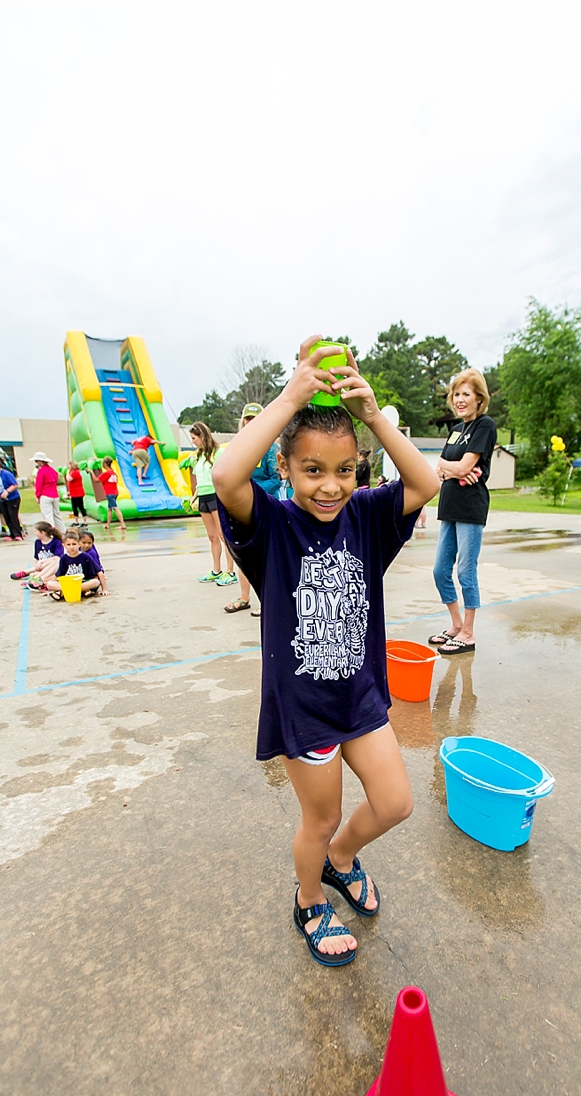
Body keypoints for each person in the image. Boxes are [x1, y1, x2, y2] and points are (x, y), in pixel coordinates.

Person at [213, 335, 439, 966]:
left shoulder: (366, 516)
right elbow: (226, 473)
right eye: (312, 470)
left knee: (396, 801)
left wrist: (372, 416)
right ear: (286, 469)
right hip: (305, 706)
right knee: (320, 815)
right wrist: (291, 395)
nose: (330, 486)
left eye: (344, 470)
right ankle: (309, 897)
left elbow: (424, 482)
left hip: (360, 696)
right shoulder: (271, 526)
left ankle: (341, 859)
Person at [429, 369, 497, 655]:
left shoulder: (485, 425)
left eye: (466, 394)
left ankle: (468, 633)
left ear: (479, 398)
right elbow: (441, 467)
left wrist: (454, 468)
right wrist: (451, 469)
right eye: (456, 394)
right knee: (440, 570)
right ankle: (456, 624)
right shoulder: (457, 429)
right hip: (450, 505)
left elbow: (464, 466)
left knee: (466, 571)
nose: (459, 399)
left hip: (470, 507)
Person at [222, 403, 279, 615]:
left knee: (265, 556)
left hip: (264, 507)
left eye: (255, 419)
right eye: (247, 419)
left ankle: (267, 600)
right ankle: (244, 598)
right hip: (240, 509)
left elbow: (276, 479)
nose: (250, 423)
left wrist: (253, 492)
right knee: (242, 553)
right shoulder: (237, 446)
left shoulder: (271, 449)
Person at [187, 421, 236, 584]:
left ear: (202, 436)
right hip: (204, 498)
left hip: (217, 497)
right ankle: (216, 570)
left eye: (194, 438)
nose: (192, 441)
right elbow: (201, 481)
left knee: (224, 535)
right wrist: (193, 498)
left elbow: (225, 475)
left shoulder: (218, 453)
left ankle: (230, 571)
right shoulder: (197, 456)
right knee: (212, 536)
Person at [48, 529, 101, 600]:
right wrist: (49, 588)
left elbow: (98, 572)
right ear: (64, 545)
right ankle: (82, 590)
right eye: (68, 544)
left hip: (83, 581)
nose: (71, 547)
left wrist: (104, 589)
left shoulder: (85, 556)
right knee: (49, 584)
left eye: (74, 544)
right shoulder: (63, 558)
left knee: (95, 582)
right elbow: (58, 575)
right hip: (69, 582)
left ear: (79, 544)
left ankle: (64, 592)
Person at [13, 521, 63, 588]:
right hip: (42, 567)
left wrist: (41, 561)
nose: (34, 533)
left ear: (43, 533)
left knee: (56, 560)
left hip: (52, 567)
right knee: (34, 573)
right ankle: (35, 577)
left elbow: (57, 558)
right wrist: (37, 565)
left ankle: (31, 576)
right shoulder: (37, 542)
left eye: (36, 531)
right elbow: (37, 557)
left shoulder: (56, 542)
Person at [0, 456, 24, 540]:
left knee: (13, 515)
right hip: (2, 499)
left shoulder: (6, 474)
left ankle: (18, 533)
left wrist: (7, 491)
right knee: (6, 516)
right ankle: (12, 533)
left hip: (12, 498)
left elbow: (15, 484)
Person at [31, 452, 66, 535]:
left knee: (48, 515)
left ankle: (51, 532)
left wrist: (37, 495)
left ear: (40, 461)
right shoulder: (53, 471)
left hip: (45, 495)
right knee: (57, 514)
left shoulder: (41, 471)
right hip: (54, 495)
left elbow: (39, 484)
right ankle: (63, 530)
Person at [91, 458, 126, 530]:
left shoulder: (106, 473)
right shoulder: (113, 473)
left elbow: (96, 480)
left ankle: (122, 524)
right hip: (115, 492)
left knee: (115, 508)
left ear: (104, 464)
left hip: (109, 493)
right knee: (109, 509)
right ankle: (108, 524)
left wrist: (91, 472)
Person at [79, 530, 109, 594]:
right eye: (84, 543)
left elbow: (98, 570)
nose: (86, 545)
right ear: (78, 542)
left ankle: (86, 589)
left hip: (91, 577)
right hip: (79, 578)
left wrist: (104, 589)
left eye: (89, 543)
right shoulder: (76, 552)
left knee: (95, 582)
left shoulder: (91, 553)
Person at [66, 460, 89, 526]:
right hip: (73, 493)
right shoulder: (73, 472)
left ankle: (85, 521)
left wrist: (67, 472)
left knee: (81, 506)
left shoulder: (75, 472)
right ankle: (76, 521)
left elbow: (69, 479)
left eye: (69, 465)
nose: (68, 467)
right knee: (74, 507)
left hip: (78, 493)